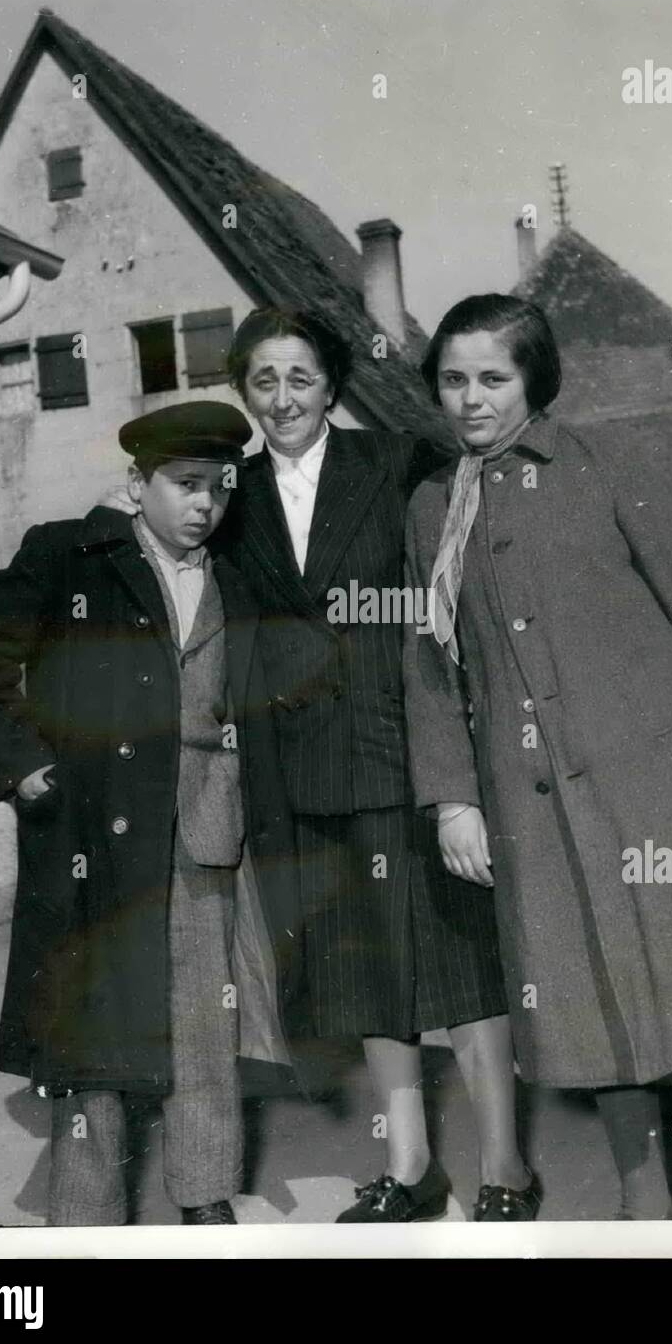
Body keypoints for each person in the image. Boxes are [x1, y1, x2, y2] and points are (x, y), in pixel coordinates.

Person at [403, 294, 672, 1220]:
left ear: (533, 378)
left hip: (656, 782)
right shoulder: (430, 507)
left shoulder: (611, 463)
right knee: (585, 1000)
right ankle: (640, 1209)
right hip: (529, 804)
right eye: (453, 380)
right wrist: (452, 798)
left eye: (492, 378)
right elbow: (427, 668)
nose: (470, 399)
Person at [0, 401, 298, 1226]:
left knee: (205, 1021)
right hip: (92, 838)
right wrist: (22, 762)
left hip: (205, 831)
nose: (205, 503)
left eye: (219, 487)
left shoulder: (238, 575)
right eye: (184, 485)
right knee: (92, 1030)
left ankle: (203, 1192)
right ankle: (86, 1208)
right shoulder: (70, 555)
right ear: (137, 485)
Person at [221, 306, 535, 1221]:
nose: (282, 399)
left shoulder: (397, 464)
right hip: (303, 776)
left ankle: (505, 1168)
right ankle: (410, 1169)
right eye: (264, 381)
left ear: (334, 387)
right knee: (366, 974)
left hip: (413, 757)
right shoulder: (227, 494)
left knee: (461, 971)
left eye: (302, 379)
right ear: (243, 389)